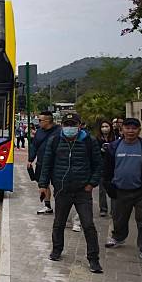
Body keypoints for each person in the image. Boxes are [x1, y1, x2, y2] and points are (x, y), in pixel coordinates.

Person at [38, 112, 103, 273]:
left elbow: (99, 165)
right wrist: (43, 184)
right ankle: (57, 250)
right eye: (66, 125)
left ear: (80, 126)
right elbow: (47, 164)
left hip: (83, 191)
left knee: (88, 225)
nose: (69, 128)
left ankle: (93, 259)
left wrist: (91, 184)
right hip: (62, 190)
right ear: (62, 125)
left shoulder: (89, 141)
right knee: (59, 223)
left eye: (73, 124)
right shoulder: (54, 140)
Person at [103, 118, 142, 263]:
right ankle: (118, 238)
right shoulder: (113, 147)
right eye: (128, 128)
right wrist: (108, 185)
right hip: (119, 190)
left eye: (134, 128)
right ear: (122, 129)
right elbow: (107, 169)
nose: (131, 131)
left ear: (139, 130)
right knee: (119, 218)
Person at [28, 111, 60, 214]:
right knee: (43, 185)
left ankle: (61, 207)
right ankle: (47, 206)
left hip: (56, 164)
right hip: (41, 163)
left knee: (58, 185)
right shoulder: (39, 132)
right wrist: (30, 159)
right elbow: (34, 146)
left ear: (48, 121)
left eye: (40, 120)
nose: (38, 122)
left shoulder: (59, 131)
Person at [96, 119, 116, 217]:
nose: (105, 129)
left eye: (107, 126)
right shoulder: (97, 139)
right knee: (102, 190)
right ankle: (103, 209)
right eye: (103, 127)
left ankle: (114, 209)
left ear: (110, 127)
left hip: (113, 166)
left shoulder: (115, 138)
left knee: (114, 188)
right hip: (102, 166)